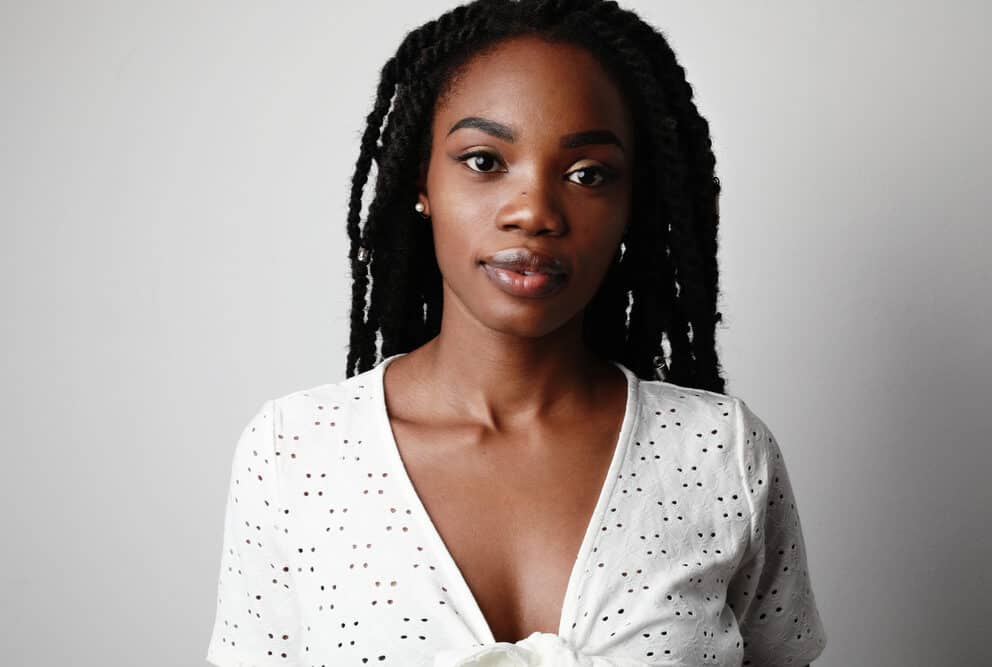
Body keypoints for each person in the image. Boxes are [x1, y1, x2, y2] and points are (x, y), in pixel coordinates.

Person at [205, 1, 828, 665]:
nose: (533, 210)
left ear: (629, 202)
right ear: (421, 180)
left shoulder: (720, 454)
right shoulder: (295, 453)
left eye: (588, 174)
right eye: (483, 161)